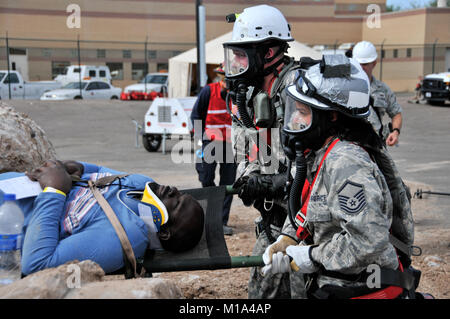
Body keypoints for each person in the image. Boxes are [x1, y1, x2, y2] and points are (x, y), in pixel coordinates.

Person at [261, 55, 418, 299]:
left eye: (302, 112)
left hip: (360, 288)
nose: (293, 120)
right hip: (335, 285)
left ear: (332, 116)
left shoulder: (345, 162)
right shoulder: (320, 153)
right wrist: (288, 239)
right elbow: (309, 203)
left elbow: (367, 241)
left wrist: (312, 256)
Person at [222, 4, 306, 298]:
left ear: (268, 53)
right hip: (274, 220)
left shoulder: (301, 92)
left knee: (303, 291)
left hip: (309, 224)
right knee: (260, 293)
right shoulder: (252, 95)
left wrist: (281, 182)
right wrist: (250, 178)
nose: (234, 62)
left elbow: (319, 168)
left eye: (242, 54)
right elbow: (246, 149)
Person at [0, 160, 204, 276]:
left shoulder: (127, 236)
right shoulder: (141, 184)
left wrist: (55, 191)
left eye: (176, 202)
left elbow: (37, 264)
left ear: (165, 232)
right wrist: (78, 167)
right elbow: (96, 171)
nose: (173, 189)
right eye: (179, 193)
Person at [190, 64, 237, 236]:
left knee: (229, 183)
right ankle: (209, 216)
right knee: (206, 177)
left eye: (230, 77)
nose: (227, 80)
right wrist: (202, 137)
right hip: (210, 142)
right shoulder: (208, 91)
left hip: (230, 145)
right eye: (224, 76)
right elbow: (196, 115)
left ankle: (220, 222)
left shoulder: (238, 95)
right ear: (219, 77)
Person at [352, 41, 403, 147]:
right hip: (351, 146)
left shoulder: (382, 90)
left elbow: (396, 113)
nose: (361, 68)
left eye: (365, 64)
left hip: (375, 145)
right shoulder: (344, 87)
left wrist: (395, 132)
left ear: (374, 63)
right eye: (358, 64)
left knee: (389, 164)